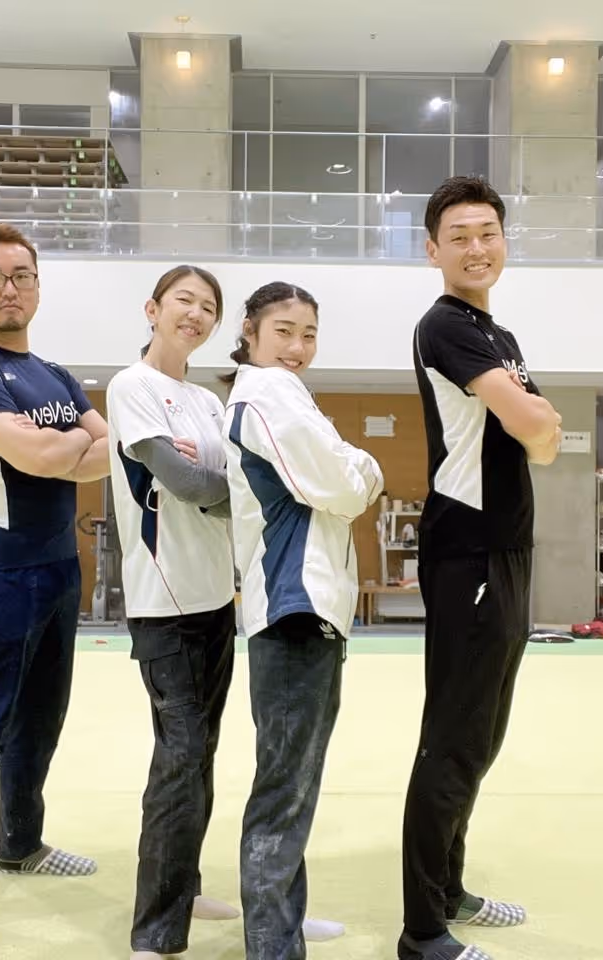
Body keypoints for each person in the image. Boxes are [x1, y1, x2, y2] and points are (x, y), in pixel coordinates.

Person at [0, 222, 111, 960]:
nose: (10, 288)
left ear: (37, 285)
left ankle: (22, 844)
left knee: (40, 722)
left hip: (60, 567)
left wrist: (66, 453)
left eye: (22, 275)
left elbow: (111, 448)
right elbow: (42, 455)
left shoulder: (55, 374)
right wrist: (70, 450)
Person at [398, 176, 562, 960]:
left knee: (483, 736)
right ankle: (422, 930)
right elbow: (534, 423)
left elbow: (547, 441)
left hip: (507, 550)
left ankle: (449, 889)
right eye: (459, 236)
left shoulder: (499, 336)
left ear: (504, 241)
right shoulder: (446, 326)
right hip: (467, 553)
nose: (476, 248)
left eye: (488, 233)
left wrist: (538, 422)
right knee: (453, 739)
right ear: (433, 250)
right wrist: (537, 419)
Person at [223, 282, 384, 960]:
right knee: (284, 792)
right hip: (294, 610)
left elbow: (334, 478)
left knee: (292, 787)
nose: (297, 346)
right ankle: (272, 946)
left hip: (306, 612)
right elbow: (345, 486)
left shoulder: (285, 394)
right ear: (251, 332)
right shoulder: (266, 394)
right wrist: (364, 465)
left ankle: (281, 930)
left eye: (309, 333)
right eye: (283, 331)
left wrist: (348, 465)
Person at [105, 265, 242, 960]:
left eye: (208, 306)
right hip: (166, 606)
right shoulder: (131, 387)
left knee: (202, 755)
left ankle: (184, 889)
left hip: (219, 599)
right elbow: (189, 483)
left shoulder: (208, 402)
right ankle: (154, 931)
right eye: (183, 300)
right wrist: (226, 487)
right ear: (153, 309)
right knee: (179, 757)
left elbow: (231, 477)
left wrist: (222, 484)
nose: (195, 313)